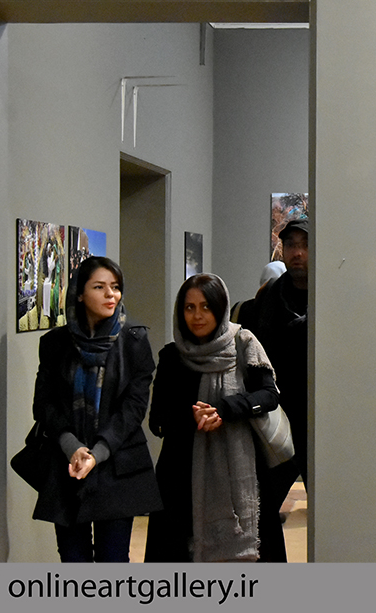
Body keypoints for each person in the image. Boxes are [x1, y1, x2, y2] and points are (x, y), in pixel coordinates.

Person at [30, 256, 162, 562]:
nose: (110, 295)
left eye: (115, 287)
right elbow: (44, 404)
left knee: (112, 560)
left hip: (118, 464)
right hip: (68, 466)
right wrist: (73, 448)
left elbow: (133, 409)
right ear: (79, 293)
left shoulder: (134, 341)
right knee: (73, 560)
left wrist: (97, 452)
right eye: (99, 287)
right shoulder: (54, 343)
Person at [145, 273, 283, 562]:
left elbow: (269, 395)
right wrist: (194, 416)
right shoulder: (172, 356)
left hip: (243, 467)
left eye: (206, 307)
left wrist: (226, 409)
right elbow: (156, 419)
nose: (197, 316)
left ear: (221, 308)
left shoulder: (243, 343)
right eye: (189, 307)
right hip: (181, 476)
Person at [242, 217, 308, 561]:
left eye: (304, 245)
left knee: (333, 512)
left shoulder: (334, 298)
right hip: (276, 419)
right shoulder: (267, 301)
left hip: (322, 420)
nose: (297, 253)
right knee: (262, 507)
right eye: (291, 245)